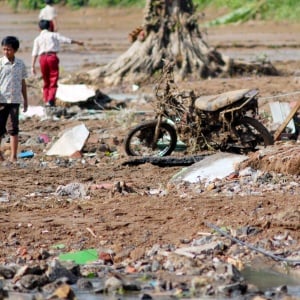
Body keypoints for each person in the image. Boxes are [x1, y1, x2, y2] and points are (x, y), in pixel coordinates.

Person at [31, 19, 84, 107]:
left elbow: (34, 53)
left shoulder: (37, 38)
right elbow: (66, 40)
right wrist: (77, 42)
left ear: (39, 28)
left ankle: (46, 99)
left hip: (42, 58)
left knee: (46, 80)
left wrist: (32, 66)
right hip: (52, 57)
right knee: (53, 79)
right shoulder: (54, 35)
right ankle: (50, 100)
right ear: (49, 27)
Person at [0, 36, 28, 162]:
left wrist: (25, 99)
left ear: (15, 50)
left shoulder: (20, 64)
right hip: (1, 100)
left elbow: (23, 82)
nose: (6, 52)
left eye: (9, 50)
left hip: (15, 100)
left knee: (13, 129)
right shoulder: (0, 64)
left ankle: (13, 156)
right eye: (4, 49)